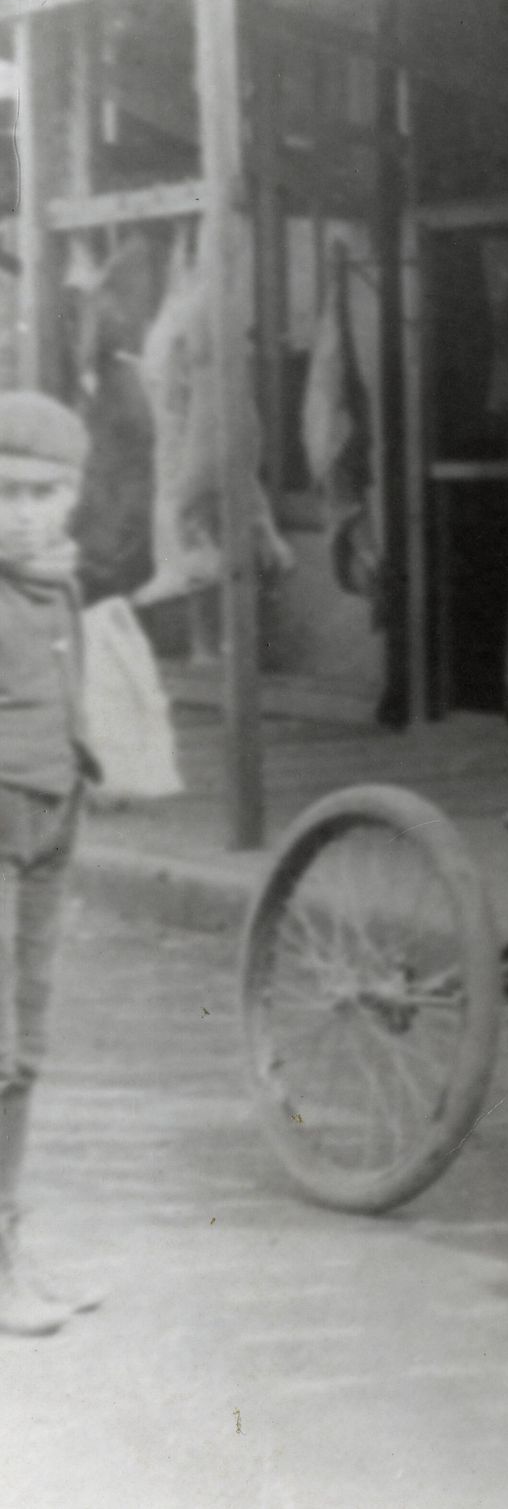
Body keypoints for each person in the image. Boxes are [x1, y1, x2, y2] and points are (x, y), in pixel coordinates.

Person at [0, 392, 105, 1337]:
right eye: (8, 493)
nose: (27, 512)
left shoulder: (56, 582)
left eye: (46, 492)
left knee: (25, 1051)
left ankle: (9, 1249)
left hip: (51, 821)